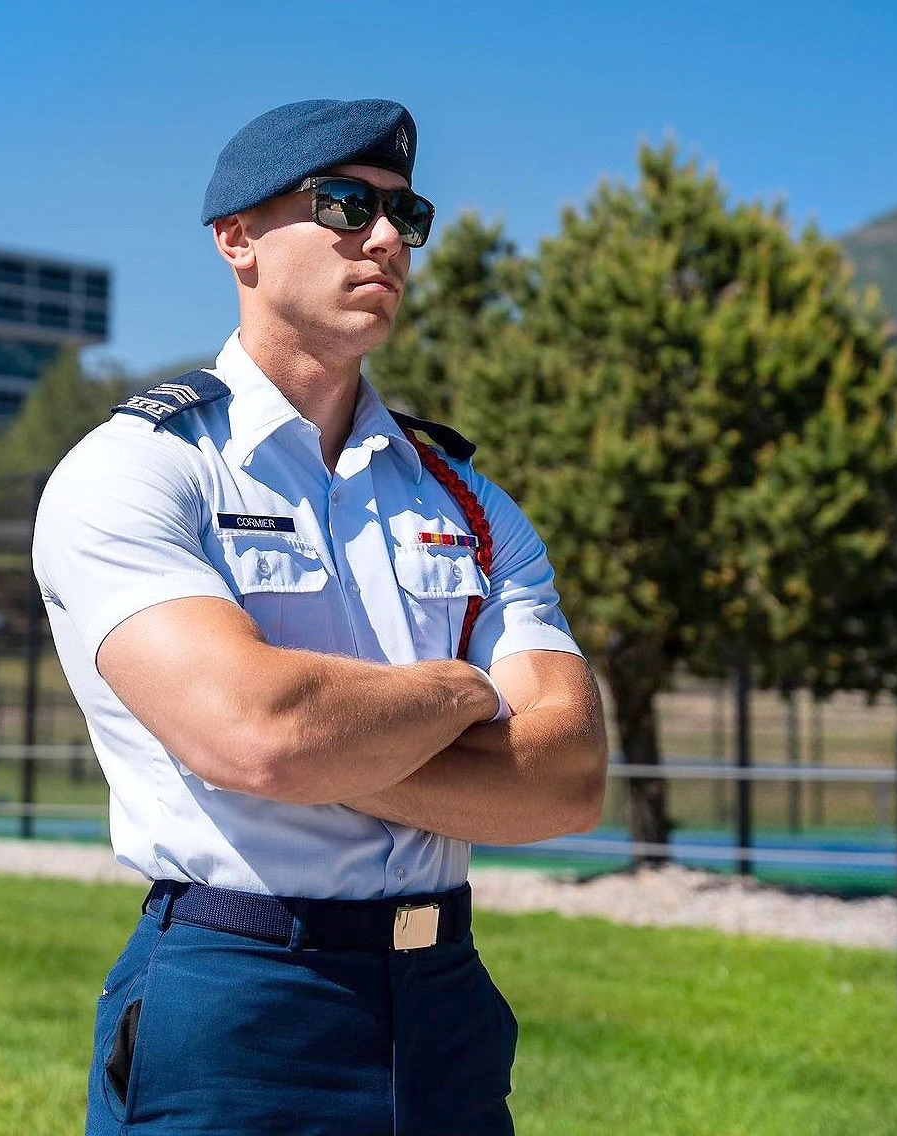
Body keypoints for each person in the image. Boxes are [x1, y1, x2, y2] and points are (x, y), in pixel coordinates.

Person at [33, 97, 608, 1136]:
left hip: (445, 999)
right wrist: (461, 692)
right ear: (237, 238)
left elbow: (567, 778)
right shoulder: (141, 471)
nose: (386, 238)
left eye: (405, 213)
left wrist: (325, 747)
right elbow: (256, 734)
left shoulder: (467, 502)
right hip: (239, 992)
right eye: (344, 203)